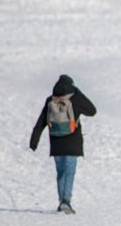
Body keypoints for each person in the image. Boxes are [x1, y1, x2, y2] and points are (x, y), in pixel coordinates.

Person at [28, 74, 97, 214]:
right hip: (72, 142)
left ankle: (62, 202)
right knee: (69, 172)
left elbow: (41, 122)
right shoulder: (75, 98)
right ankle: (66, 202)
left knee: (60, 172)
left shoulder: (50, 100)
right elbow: (92, 111)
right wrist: (78, 92)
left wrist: (34, 140)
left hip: (56, 142)